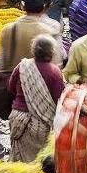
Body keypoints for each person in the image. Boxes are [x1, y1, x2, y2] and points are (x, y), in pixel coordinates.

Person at [7, 35, 65, 163]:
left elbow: (11, 87)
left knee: (19, 162)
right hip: (40, 123)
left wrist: (24, 98)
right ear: (51, 52)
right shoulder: (54, 72)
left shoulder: (22, 66)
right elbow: (59, 100)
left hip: (18, 119)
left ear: (33, 50)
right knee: (38, 164)